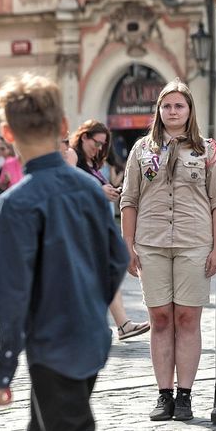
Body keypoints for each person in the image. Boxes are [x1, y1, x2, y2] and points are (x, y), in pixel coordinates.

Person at [0, 72, 128, 431]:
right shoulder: (89, 188)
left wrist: (4, 370)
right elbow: (117, 258)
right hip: (89, 337)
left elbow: (11, 296)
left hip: (53, 346)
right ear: (64, 126)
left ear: (8, 133)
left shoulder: (14, 204)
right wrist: (89, 303)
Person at [120, 78, 216, 421]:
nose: (172, 111)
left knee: (187, 318)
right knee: (160, 319)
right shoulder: (142, 150)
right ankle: (162, 393)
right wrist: (128, 245)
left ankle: (185, 395)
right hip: (151, 244)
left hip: (194, 244)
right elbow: (129, 199)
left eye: (179, 105)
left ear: (189, 110)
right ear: (159, 111)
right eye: (166, 106)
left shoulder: (207, 149)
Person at [71, 119, 150, 341]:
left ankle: (116, 325)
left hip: (94, 225)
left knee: (103, 277)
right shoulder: (73, 157)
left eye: (103, 145)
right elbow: (68, 187)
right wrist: (98, 191)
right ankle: (111, 325)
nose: (99, 149)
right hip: (81, 228)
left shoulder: (89, 162)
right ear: (84, 137)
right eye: (96, 143)